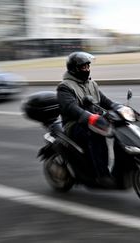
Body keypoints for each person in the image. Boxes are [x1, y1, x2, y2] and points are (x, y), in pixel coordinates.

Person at [56, 51, 120, 187]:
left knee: (119, 128)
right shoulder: (65, 87)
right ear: (74, 69)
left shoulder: (91, 83)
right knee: (97, 134)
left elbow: (104, 100)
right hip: (74, 124)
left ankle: (120, 170)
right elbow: (70, 107)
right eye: (83, 67)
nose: (87, 69)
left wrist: (118, 107)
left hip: (94, 119)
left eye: (88, 66)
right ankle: (102, 175)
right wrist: (88, 117)